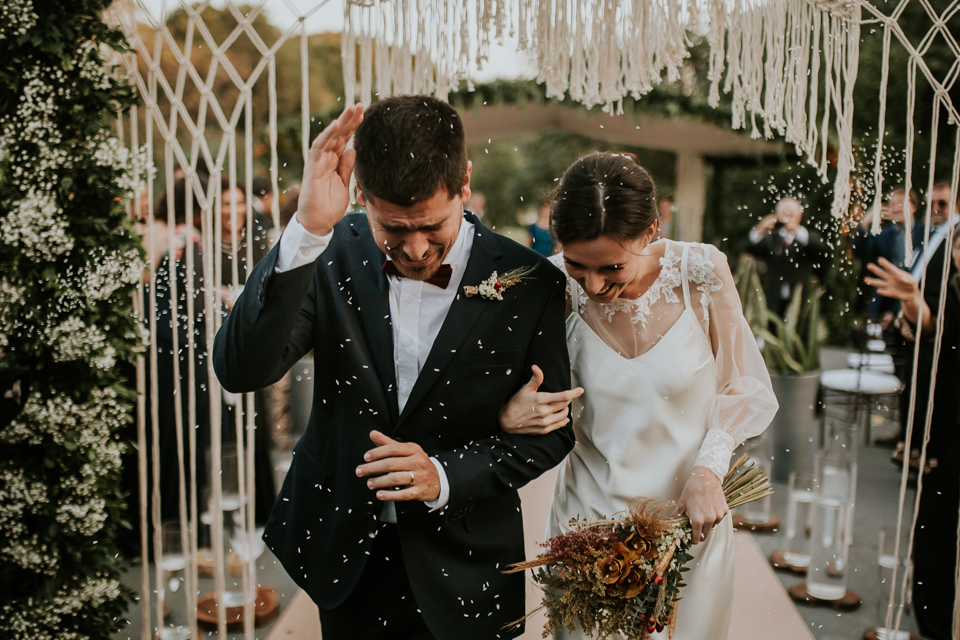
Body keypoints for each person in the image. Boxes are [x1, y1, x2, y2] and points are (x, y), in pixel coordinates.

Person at [213, 97, 576, 640]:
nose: (413, 248)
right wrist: (307, 228)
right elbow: (240, 368)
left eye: (432, 226)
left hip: (467, 560)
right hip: (343, 556)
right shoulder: (326, 251)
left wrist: (444, 475)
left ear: (465, 182)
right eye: (393, 227)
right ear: (362, 195)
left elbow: (554, 432)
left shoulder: (530, 282)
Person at [498, 152, 779, 640]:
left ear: (651, 229)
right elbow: (508, 387)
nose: (593, 284)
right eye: (577, 265)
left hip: (693, 519)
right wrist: (509, 412)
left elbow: (742, 384)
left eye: (611, 266)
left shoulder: (701, 272)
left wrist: (710, 469)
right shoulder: (551, 286)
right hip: (588, 530)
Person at [863, 231, 960, 640]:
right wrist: (912, 299)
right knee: (937, 536)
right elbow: (935, 326)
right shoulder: (952, 288)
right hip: (947, 433)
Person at [744, 197, 827, 317]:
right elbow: (748, 247)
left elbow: (821, 250)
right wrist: (760, 228)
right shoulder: (771, 238)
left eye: (792, 214)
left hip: (800, 298)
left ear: (800, 216)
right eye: (785, 214)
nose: (788, 218)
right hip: (773, 297)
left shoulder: (806, 237)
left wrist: (797, 231)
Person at [853, 187, 919, 324]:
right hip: (885, 301)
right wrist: (865, 224)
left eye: (900, 203)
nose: (895, 208)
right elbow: (860, 253)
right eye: (891, 204)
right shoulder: (882, 235)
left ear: (913, 206)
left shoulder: (925, 233)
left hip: (917, 299)